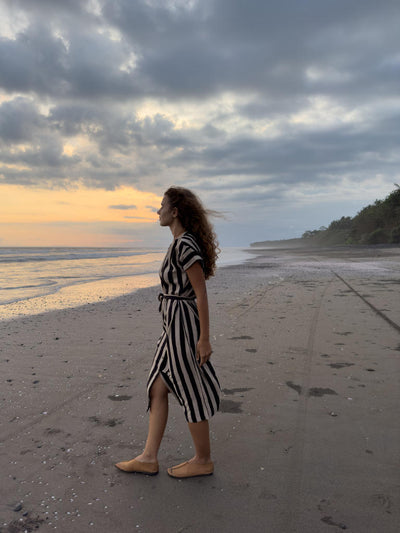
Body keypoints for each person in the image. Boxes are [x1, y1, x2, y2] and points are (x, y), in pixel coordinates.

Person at [115, 186, 221, 478]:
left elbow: (201, 294)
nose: (157, 211)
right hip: (172, 326)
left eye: (161, 206)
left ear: (175, 211)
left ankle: (203, 460)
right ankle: (149, 457)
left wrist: (204, 338)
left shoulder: (184, 245)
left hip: (183, 327)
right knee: (157, 387)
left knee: (189, 388)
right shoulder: (180, 243)